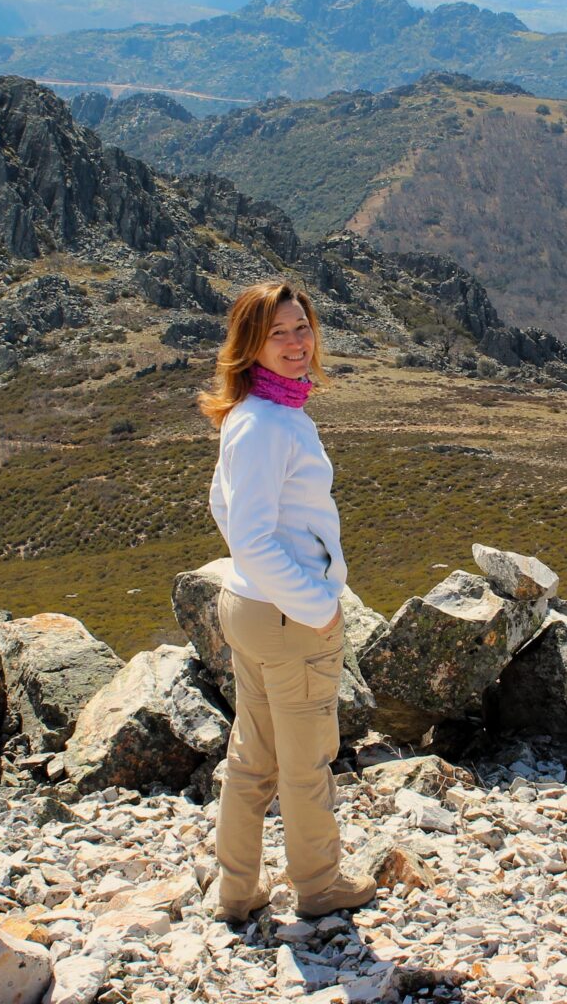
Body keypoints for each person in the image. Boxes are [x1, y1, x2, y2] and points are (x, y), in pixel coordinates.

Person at [200, 279, 379, 923]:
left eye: (302, 328)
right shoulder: (266, 424)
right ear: (251, 344)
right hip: (287, 618)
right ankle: (319, 884)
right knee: (305, 762)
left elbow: (223, 508)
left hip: (254, 610)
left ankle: (238, 890)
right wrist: (316, 605)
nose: (297, 343)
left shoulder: (261, 413)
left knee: (255, 755)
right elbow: (248, 534)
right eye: (279, 333)